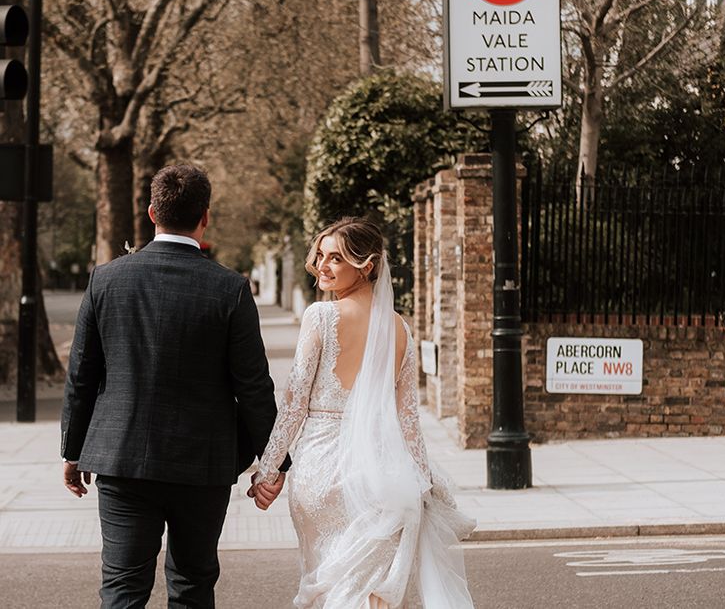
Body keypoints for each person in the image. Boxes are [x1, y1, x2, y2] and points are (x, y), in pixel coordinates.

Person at [60, 163, 288, 608]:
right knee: (192, 587)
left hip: (121, 460)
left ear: (151, 212)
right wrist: (273, 461)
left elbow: (81, 375)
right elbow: (254, 387)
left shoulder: (105, 280)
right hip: (202, 465)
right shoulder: (230, 289)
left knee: (122, 590)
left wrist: (73, 450)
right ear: (205, 216)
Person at [248, 217, 475, 608]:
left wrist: (269, 472)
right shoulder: (401, 330)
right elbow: (408, 425)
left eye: (336, 258)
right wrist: (421, 483)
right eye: (321, 255)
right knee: (371, 592)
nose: (322, 264)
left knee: (326, 581)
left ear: (366, 265)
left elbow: (294, 403)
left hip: (320, 470)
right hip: (382, 476)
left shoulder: (320, 317)